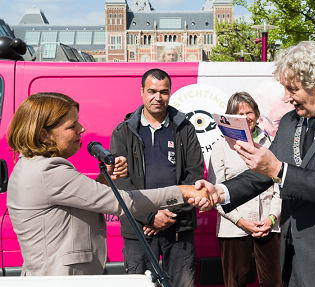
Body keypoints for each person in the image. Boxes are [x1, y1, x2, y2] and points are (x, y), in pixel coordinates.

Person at [196, 41, 315, 286]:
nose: (286, 98)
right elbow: (262, 173)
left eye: (292, 89)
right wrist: (220, 192)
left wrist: (277, 169)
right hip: (296, 263)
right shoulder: (291, 121)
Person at [6, 92, 211, 276]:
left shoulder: (29, 165)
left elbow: (82, 199)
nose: (82, 128)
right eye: (71, 126)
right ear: (44, 135)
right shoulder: (49, 171)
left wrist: (106, 178)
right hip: (61, 278)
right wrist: (183, 191)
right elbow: (123, 203)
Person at [110, 68, 204, 287]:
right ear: (142, 91)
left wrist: (167, 217)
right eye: (152, 91)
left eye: (164, 92)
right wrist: (150, 216)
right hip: (138, 229)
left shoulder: (185, 128)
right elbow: (120, 181)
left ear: (170, 93)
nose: (158, 97)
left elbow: (195, 176)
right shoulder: (123, 132)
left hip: (179, 226)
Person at [208, 92, 281, 287]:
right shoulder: (220, 147)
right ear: (230, 118)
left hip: (268, 226)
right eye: (239, 114)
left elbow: (279, 187)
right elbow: (216, 193)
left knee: (274, 282)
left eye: (250, 112)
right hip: (233, 228)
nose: (246, 117)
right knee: (235, 282)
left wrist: (272, 218)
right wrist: (241, 221)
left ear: (257, 115)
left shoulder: (271, 144)